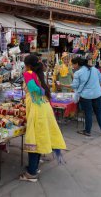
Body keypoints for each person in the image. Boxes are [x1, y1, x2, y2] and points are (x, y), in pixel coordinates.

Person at [20, 54, 66, 182]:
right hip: (44, 108)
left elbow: (34, 88)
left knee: (34, 140)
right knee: (39, 137)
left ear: (27, 65)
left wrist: (39, 91)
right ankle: (33, 167)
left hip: (37, 110)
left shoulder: (28, 73)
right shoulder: (38, 73)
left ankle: (32, 174)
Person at [64, 57, 101, 136]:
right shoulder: (95, 69)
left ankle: (87, 131)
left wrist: (63, 85)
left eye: (73, 64)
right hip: (97, 94)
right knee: (99, 113)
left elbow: (75, 86)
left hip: (86, 96)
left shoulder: (78, 73)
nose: (72, 66)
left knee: (88, 113)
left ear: (77, 64)